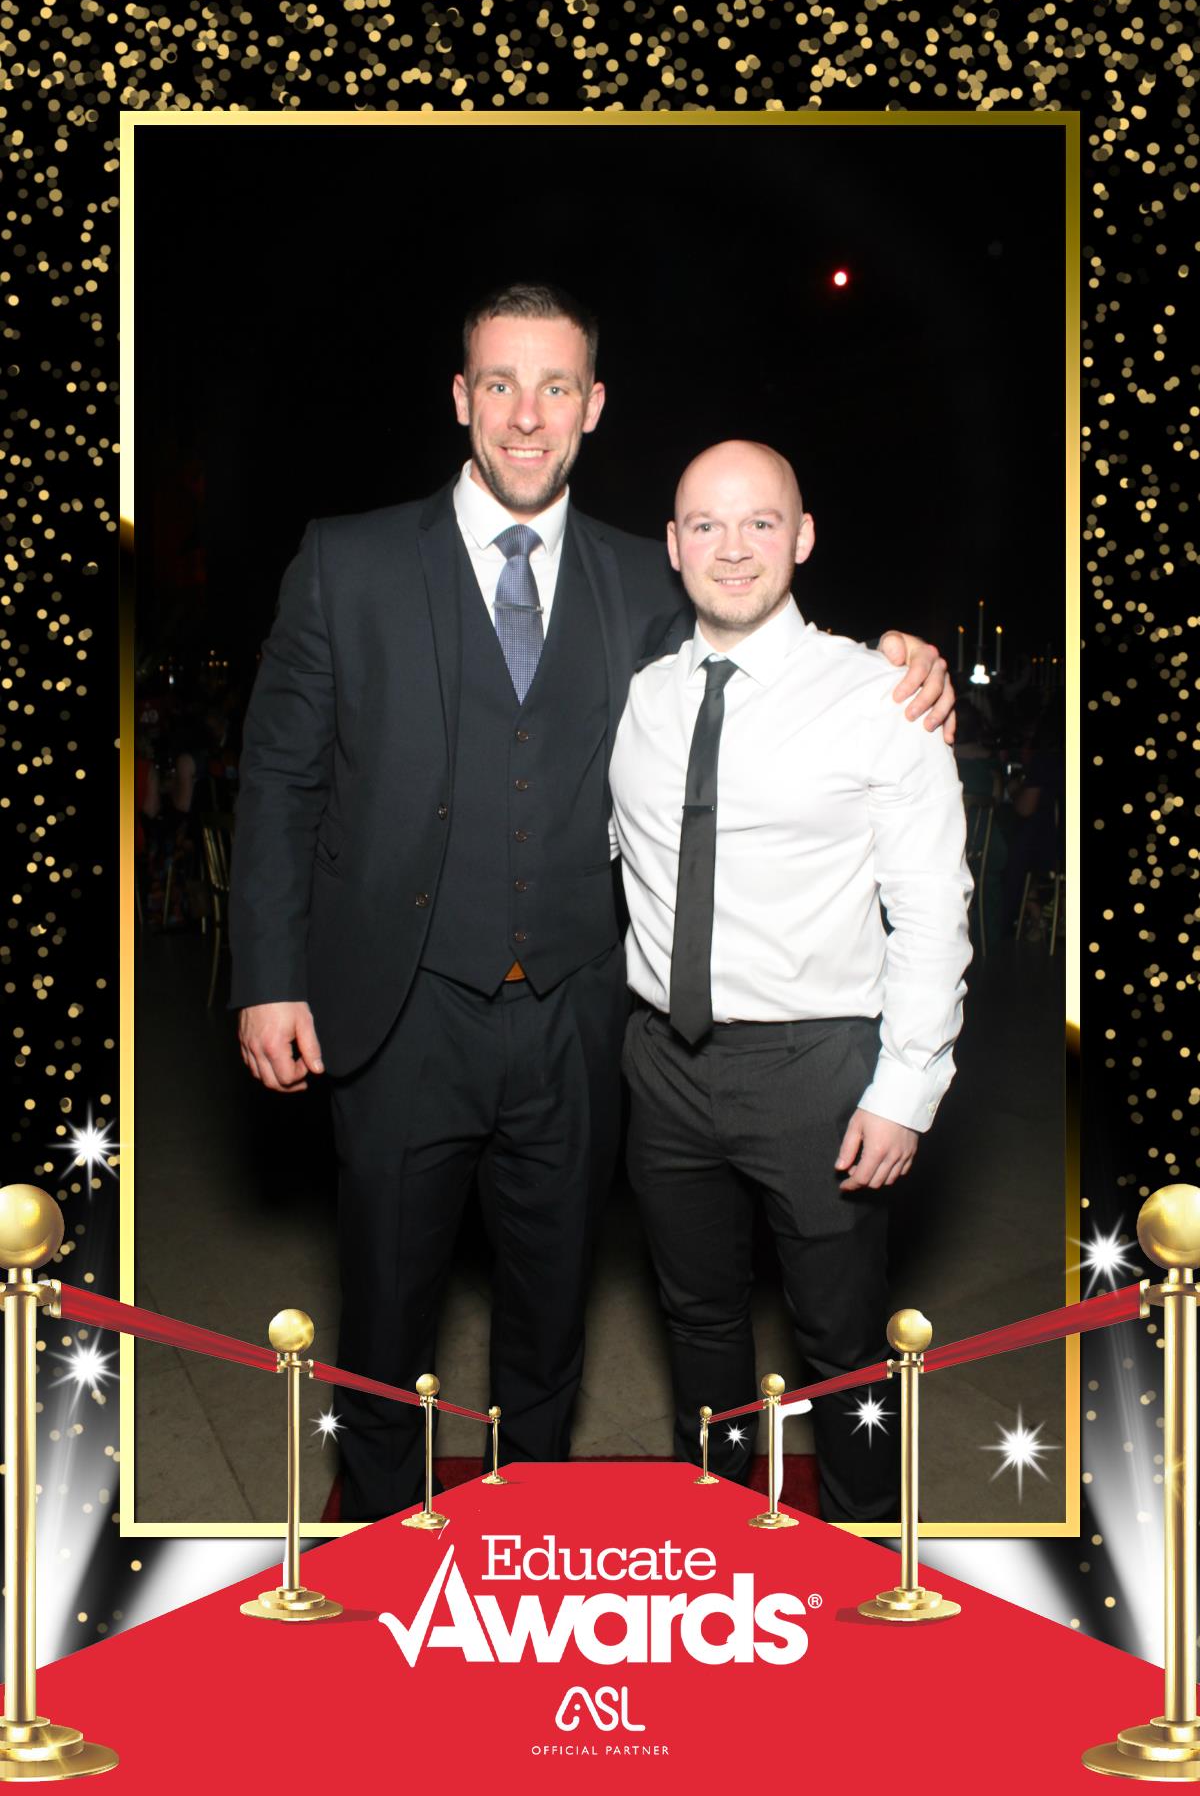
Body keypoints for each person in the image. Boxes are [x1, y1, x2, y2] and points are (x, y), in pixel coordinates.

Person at [229, 285, 956, 1522]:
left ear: (593, 405)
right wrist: (268, 975)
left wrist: (900, 662)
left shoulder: (642, 576)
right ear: (461, 398)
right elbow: (281, 780)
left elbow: (757, 628)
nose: (527, 415)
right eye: (500, 384)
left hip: (578, 1024)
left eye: (555, 386)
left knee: (552, 1303)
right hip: (396, 1014)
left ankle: (528, 1520)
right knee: (385, 1307)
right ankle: (376, 1536)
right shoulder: (345, 560)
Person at [610, 440, 972, 1524]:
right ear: (673, 545)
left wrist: (906, 1086)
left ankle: (867, 1555)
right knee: (697, 1320)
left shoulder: (882, 697)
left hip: (818, 1069)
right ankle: (722, 1530)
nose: (733, 548)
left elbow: (932, 906)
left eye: (759, 522)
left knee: (843, 1344)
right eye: (707, 525)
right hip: (661, 1063)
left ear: (803, 537)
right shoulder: (641, 696)